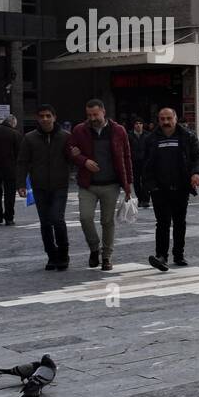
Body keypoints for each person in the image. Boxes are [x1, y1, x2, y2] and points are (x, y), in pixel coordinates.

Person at [67, 99, 134, 270]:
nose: (92, 118)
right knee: (85, 217)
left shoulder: (118, 130)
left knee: (107, 221)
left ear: (103, 111)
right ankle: (94, 248)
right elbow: (71, 151)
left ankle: (106, 256)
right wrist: (83, 161)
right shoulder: (79, 130)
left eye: (95, 114)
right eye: (89, 115)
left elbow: (126, 157)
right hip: (88, 184)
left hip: (111, 184)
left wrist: (128, 185)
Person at [142, 107, 199, 271]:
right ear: (158, 120)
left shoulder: (187, 136)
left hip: (181, 187)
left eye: (169, 118)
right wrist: (150, 185)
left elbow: (198, 156)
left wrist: (197, 173)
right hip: (159, 188)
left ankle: (178, 254)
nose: (166, 122)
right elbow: (144, 163)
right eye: (162, 119)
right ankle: (161, 256)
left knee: (179, 222)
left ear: (175, 119)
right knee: (162, 223)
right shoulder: (151, 139)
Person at [15, 105, 72, 270]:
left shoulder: (66, 137)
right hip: (39, 186)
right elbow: (22, 162)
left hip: (60, 185)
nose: (45, 119)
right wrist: (20, 184)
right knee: (45, 222)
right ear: (37, 118)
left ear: (54, 117)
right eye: (42, 116)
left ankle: (63, 254)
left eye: (48, 116)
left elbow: (74, 158)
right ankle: (51, 256)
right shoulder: (29, 138)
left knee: (57, 219)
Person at [128, 118, 152, 207]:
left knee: (146, 180)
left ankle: (145, 200)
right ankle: (140, 199)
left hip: (145, 161)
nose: (138, 125)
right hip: (134, 161)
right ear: (134, 125)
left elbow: (151, 149)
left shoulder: (148, 135)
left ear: (143, 125)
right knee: (136, 182)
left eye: (140, 123)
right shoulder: (129, 135)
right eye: (136, 123)